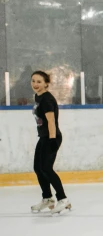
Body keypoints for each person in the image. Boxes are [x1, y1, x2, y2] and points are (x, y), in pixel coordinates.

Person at [29, 71, 70, 214]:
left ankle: (63, 199)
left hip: (51, 137)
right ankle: (48, 198)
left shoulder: (46, 99)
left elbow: (51, 120)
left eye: (39, 82)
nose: (35, 84)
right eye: (33, 81)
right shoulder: (38, 96)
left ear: (46, 83)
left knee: (46, 168)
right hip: (44, 137)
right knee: (38, 168)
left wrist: (52, 139)